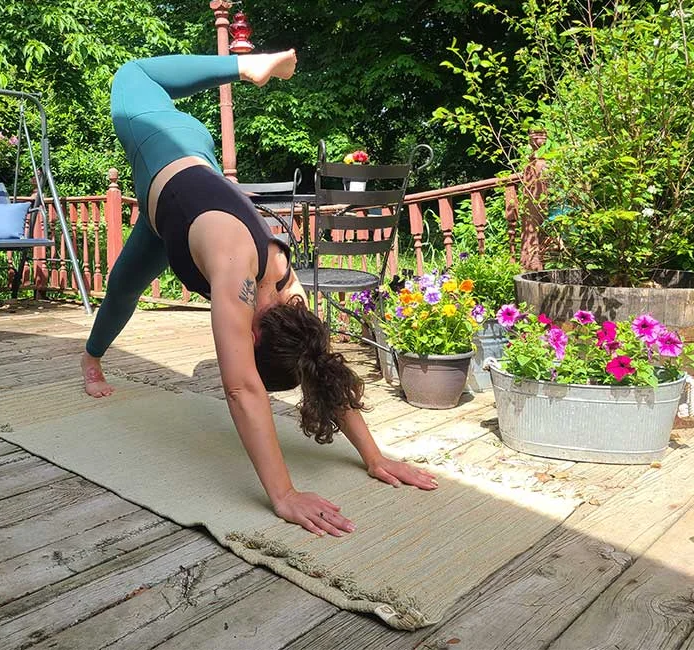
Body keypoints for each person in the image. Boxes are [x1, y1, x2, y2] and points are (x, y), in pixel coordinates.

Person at [81, 51, 438, 537]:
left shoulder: (289, 292)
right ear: (253, 340)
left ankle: (91, 357)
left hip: (175, 201)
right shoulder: (236, 272)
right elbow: (241, 388)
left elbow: (321, 367)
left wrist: (374, 457)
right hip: (165, 142)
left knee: (122, 288)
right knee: (132, 74)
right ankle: (245, 67)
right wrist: (283, 493)